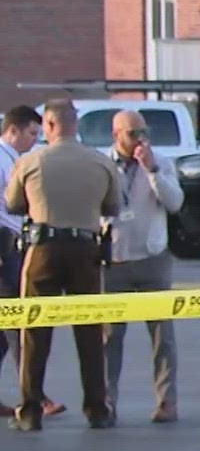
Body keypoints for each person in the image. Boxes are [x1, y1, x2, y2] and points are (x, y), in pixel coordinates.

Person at [4, 99, 121, 431]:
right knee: (89, 331)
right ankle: (97, 408)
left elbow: (13, 204)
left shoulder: (31, 161)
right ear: (76, 124)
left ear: (50, 126)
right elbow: (112, 206)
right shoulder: (100, 162)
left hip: (43, 248)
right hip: (86, 249)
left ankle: (29, 412)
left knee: (34, 333)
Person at [104, 110, 184, 423]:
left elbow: (175, 202)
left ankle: (167, 401)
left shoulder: (161, 161)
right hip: (114, 258)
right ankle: (107, 401)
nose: (140, 139)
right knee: (109, 338)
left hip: (152, 257)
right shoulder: (103, 164)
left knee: (162, 336)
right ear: (116, 135)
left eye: (143, 132)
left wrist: (152, 171)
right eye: (132, 133)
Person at [0, 107, 64, 419]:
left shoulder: (16, 160)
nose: (34, 141)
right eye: (30, 134)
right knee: (17, 320)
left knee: (4, 329)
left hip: (15, 245)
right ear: (13, 130)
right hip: (4, 248)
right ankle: (35, 396)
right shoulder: (2, 160)